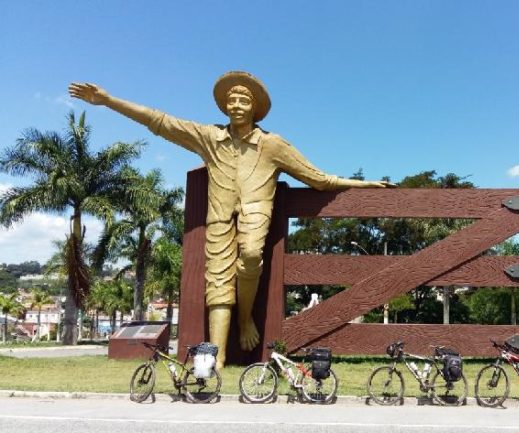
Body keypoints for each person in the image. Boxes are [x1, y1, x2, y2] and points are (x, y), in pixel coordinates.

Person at [69, 71, 391, 368]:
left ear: (255, 108)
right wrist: (108, 101)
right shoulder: (210, 138)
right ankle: (217, 355)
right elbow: (161, 122)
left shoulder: (272, 145)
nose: (236, 105)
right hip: (219, 218)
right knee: (218, 279)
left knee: (251, 254)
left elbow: (319, 179)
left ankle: (246, 318)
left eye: (243, 100)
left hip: (255, 217)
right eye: (231, 100)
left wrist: (364, 185)